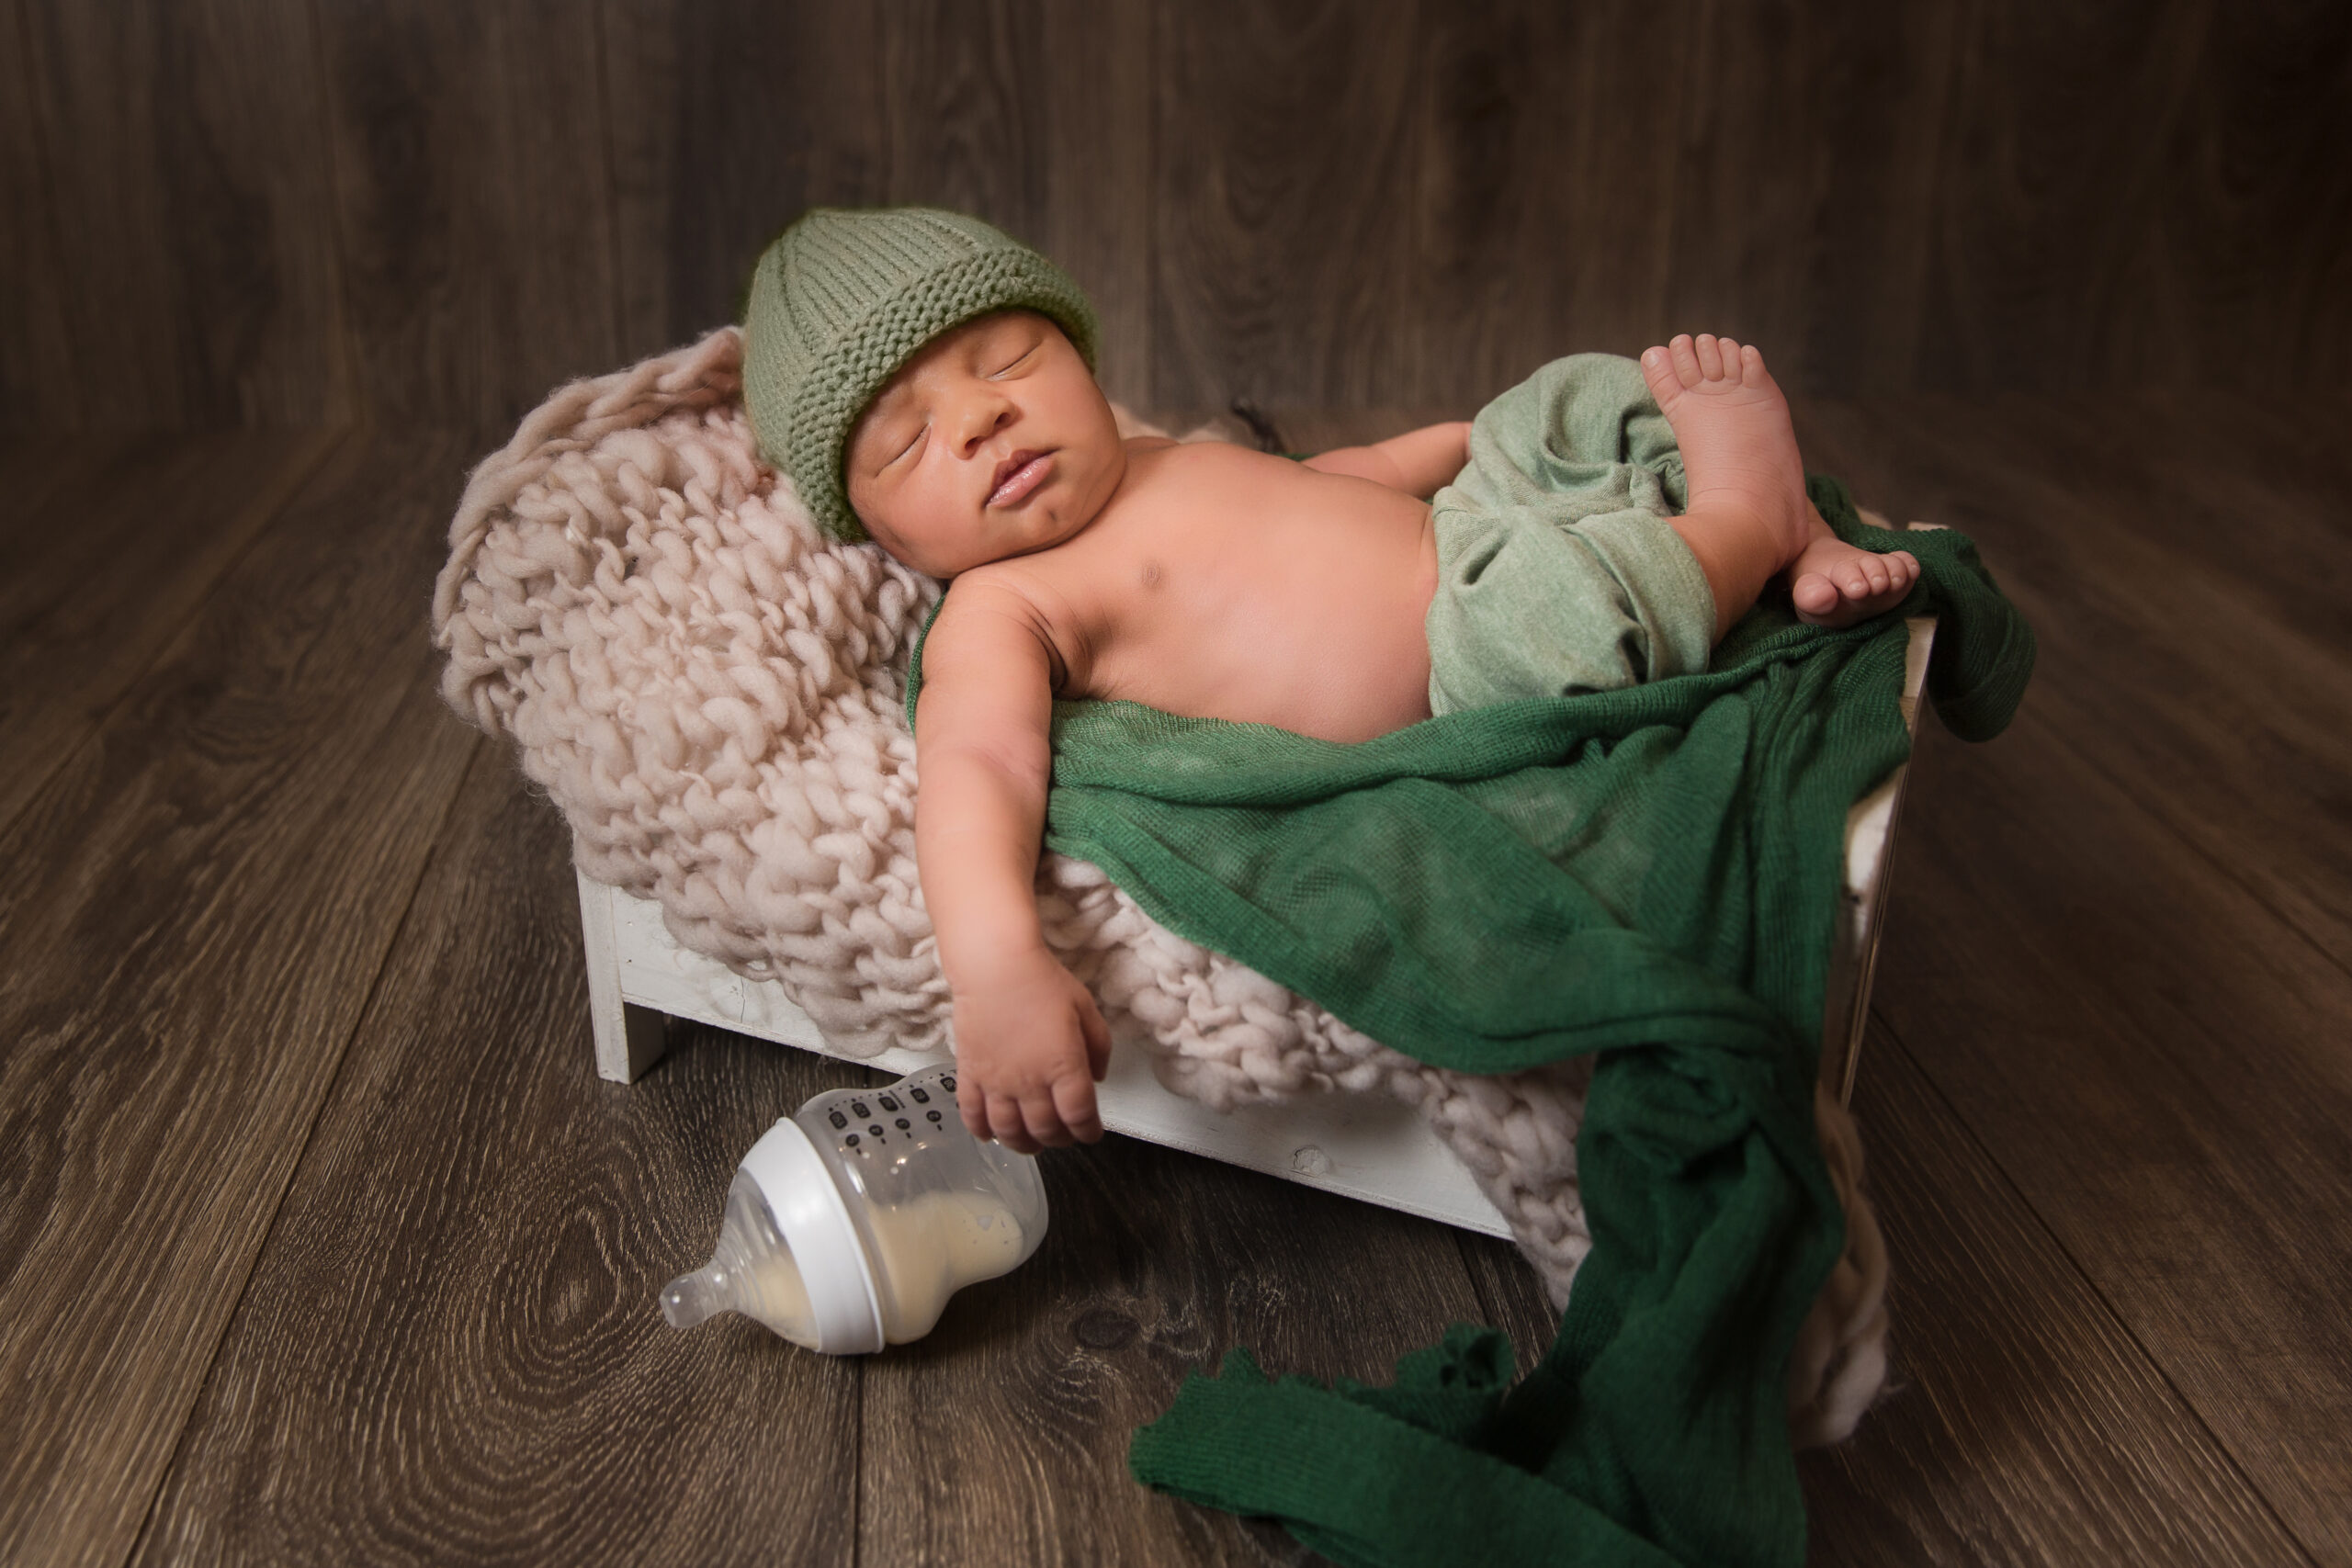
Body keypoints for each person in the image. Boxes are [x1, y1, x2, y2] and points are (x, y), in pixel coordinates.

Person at [741, 207, 1918, 1156]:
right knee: (1559, 629)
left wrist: (1467, 441)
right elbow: (980, 766)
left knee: (1571, 399)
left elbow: (1335, 481)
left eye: (1006, 358)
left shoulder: (1162, 456)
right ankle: (1742, 517)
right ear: (885, 541)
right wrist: (996, 965)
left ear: (1082, 359)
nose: (982, 414)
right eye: (906, 442)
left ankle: (1793, 529)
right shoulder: (1003, 609)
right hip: (1470, 642)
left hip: (1474, 525)